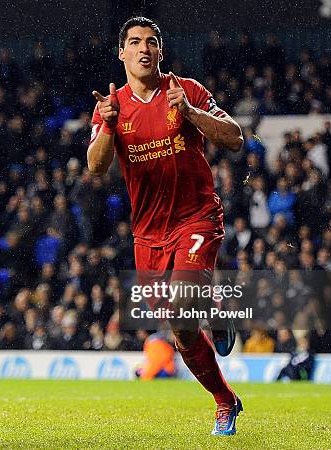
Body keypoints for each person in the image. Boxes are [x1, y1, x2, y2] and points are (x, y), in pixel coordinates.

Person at [87, 17, 243, 435]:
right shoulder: (110, 106)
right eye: (135, 42)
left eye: (151, 42)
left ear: (160, 53)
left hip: (197, 216)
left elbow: (235, 137)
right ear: (121, 53)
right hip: (148, 233)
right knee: (181, 326)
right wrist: (107, 125)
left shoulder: (185, 89)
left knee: (180, 303)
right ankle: (225, 399)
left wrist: (189, 113)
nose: (144, 48)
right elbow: (96, 167)